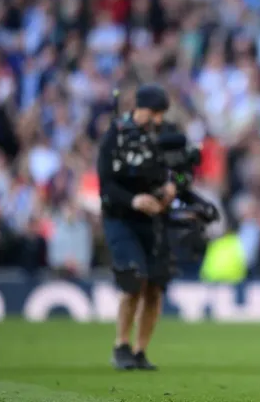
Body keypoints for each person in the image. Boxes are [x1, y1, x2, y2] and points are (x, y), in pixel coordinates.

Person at [98, 84, 177, 371]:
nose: (158, 119)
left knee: (155, 286)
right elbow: (105, 185)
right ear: (139, 108)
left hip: (155, 218)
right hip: (121, 217)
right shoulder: (115, 135)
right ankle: (121, 345)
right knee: (133, 277)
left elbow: (181, 168)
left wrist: (172, 187)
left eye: (161, 114)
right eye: (154, 112)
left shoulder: (166, 133)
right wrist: (135, 200)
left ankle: (140, 351)